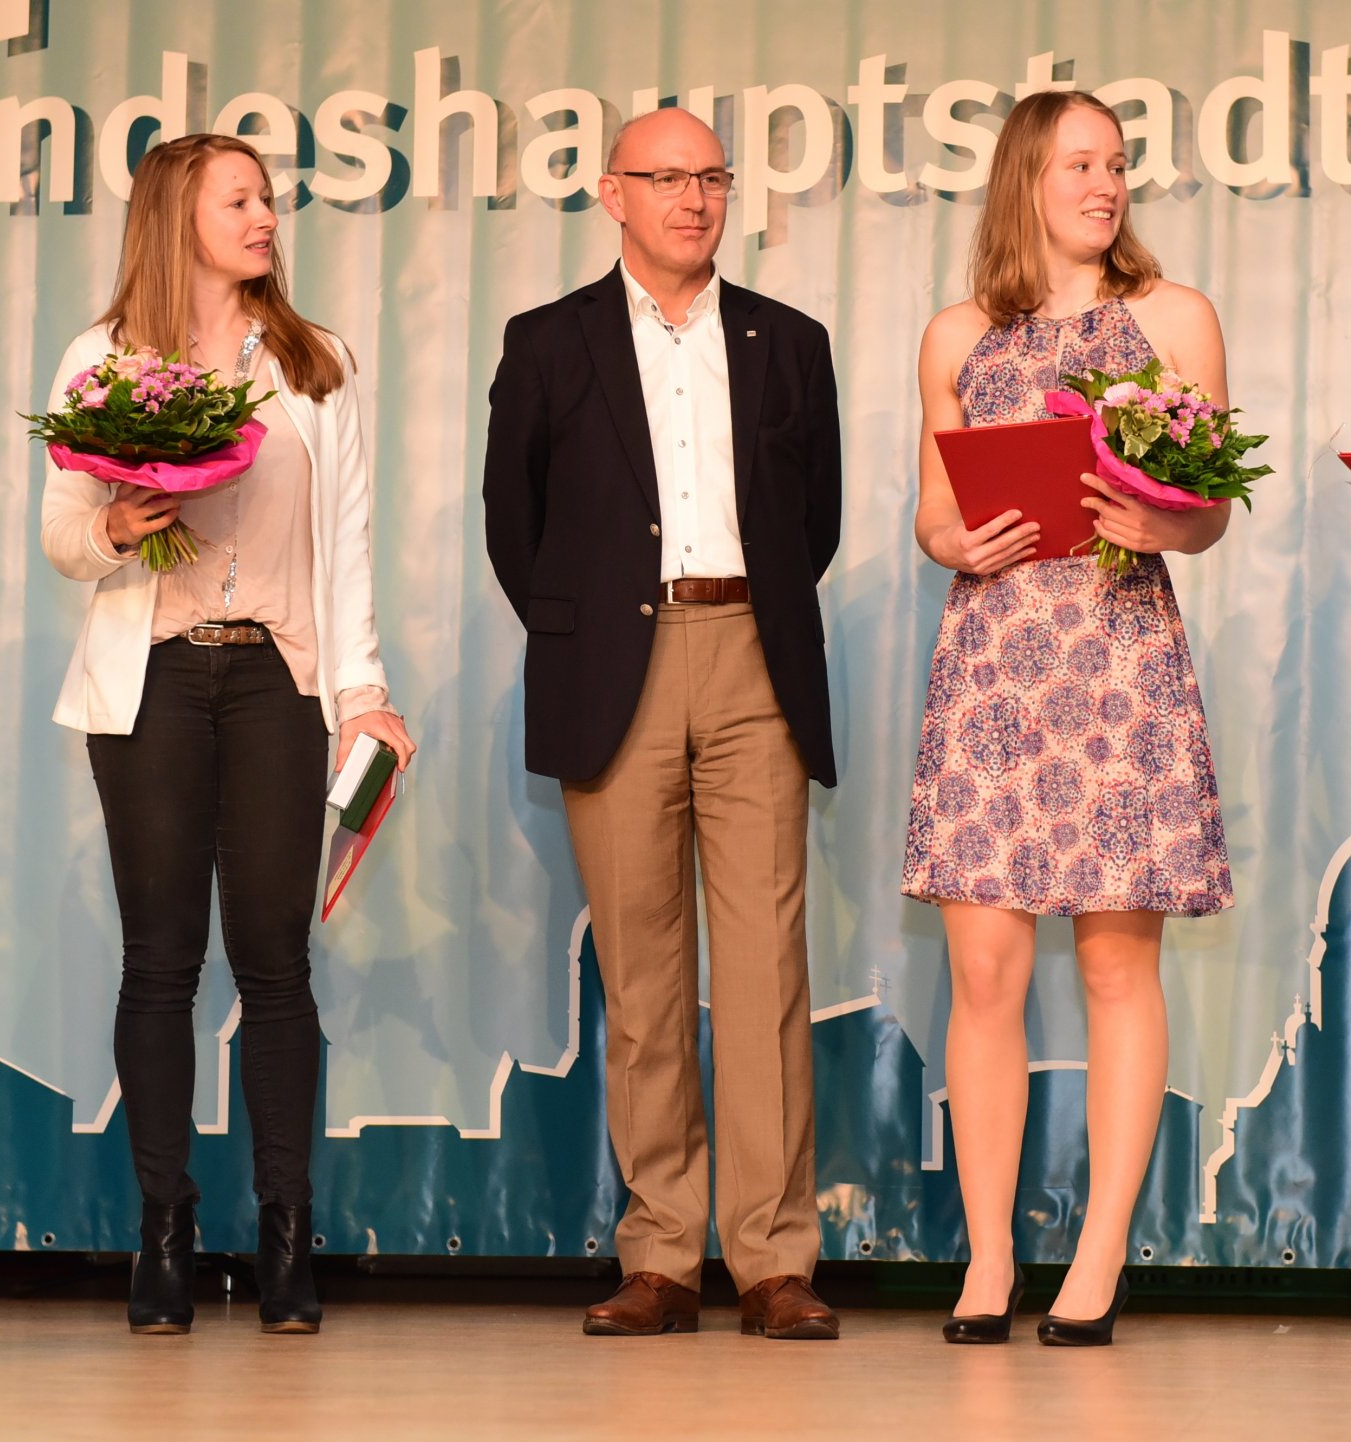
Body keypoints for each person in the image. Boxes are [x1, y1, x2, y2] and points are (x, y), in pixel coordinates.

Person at [40, 134, 415, 1335]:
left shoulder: (320, 361)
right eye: (240, 199)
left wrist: (362, 692)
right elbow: (60, 536)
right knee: (159, 961)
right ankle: (164, 1235)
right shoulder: (104, 358)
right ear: (176, 216)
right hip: (149, 682)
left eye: (268, 198)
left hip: (276, 685)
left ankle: (287, 1238)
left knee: (276, 963)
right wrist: (117, 522)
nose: (267, 216)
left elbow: (347, 543)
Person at [483, 107, 843, 1340]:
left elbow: (819, 522)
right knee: (640, 977)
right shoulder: (547, 343)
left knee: (765, 972)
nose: (694, 197)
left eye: (712, 177)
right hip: (616, 669)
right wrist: (592, 629)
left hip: (753, 658)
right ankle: (660, 1257)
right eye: (666, 177)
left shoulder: (789, 341)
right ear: (612, 193)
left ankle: (774, 1257)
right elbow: (514, 527)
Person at [903, 90, 1234, 1347]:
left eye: (1119, 164)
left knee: (1113, 962)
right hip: (992, 659)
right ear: (1026, 179)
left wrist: (1168, 520)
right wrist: (957, 533)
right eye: (1083, 163)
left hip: (1117, 655)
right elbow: (931, 508)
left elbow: (1208, 506)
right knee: (983, 969)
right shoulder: (955, 334)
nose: (1107, 184)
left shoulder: (1173, 317)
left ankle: (1098, 1260)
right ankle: (989, 1260)